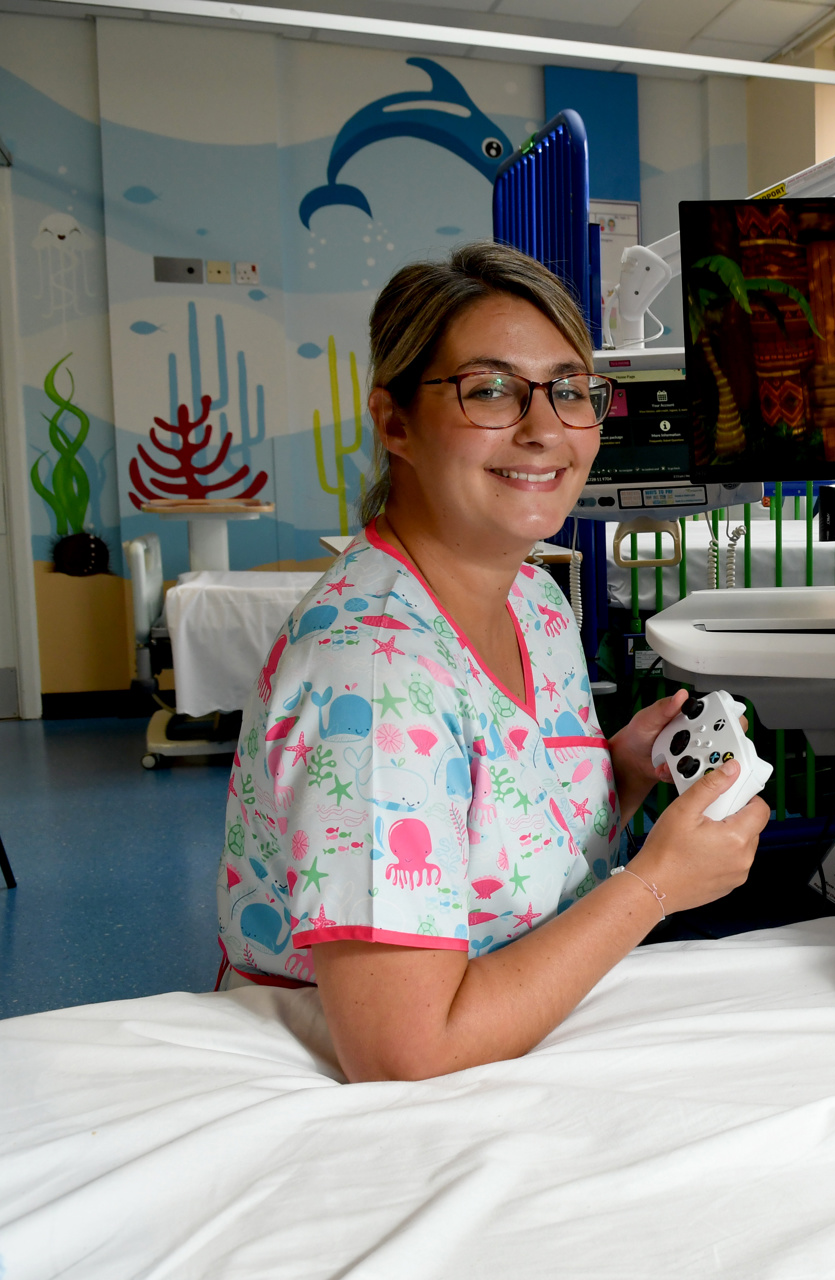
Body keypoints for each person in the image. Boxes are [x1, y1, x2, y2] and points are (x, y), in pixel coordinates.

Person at [215, 243, 770, 1082]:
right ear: (394, 422)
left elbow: (493, 835)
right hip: (410, 1089)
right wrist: (654, 887)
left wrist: (619, 773)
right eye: (490, 389)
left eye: (570, 390)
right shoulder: (372, 675)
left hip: (527, 1024)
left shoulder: (533, 603)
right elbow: (404, 1056)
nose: (544, 428)